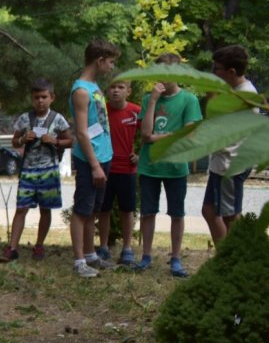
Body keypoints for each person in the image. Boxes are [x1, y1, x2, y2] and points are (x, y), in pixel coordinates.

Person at [136, 52, 202, 276]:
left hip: (175, 167)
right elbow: (145, 135)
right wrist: (153, 101)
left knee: (177, 213)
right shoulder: (148, 99)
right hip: (150, 166)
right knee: (147, 212)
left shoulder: (189, 100)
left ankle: (175, 258)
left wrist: (158, 137)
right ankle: (146, 256)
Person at [0, 79, 71, 262]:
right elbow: (14, 141)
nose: (40, 101)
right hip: (28, 170)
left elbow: (70, 141)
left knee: (45, 209)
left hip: (49, 170)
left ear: (52, 97)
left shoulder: (58, 119)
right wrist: (23, 139)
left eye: (44, 97)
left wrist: (55, 141)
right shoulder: (25, 118)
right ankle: (12, 247)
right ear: (32, 99)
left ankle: (39, 245)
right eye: (36, 97)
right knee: (21, 208)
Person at [68, 39, 120, 278]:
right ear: (99, 61)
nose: (111, 67)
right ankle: (79, 261)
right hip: (91, 161)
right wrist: (95, 165)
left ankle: (91, 255)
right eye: (110, 62)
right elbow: (81, 132)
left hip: (103, 156)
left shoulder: (95, 87)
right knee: (82, 209)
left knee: (93, 209)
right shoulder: (81, 91)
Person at [204, 44, 257, 246]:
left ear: (231, 71)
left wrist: (211, 98)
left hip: (230, 164)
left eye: (216, 69)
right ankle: (224, 257)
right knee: (209, 210)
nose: (213, 73)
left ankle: (235, 257)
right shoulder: (233, 91)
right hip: (221, 162)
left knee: (230, 215)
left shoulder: (244, 96)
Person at [99, 80, 141, 264]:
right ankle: (103, 247)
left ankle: (127, 249)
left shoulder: (136, 111)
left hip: (127, 169)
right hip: (105, 168)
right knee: (103, 209)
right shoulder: (101, 111)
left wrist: (140, 155)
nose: (116, 90)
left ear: (128, 91)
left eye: (120, 87)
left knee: (127, 210)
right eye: (112, 87)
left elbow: (148, 134)